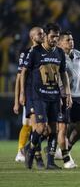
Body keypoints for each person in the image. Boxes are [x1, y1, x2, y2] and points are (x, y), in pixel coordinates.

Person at [20, 23, 72, 169]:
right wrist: (23, 93)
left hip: (54, 95)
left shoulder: (60, 53)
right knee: (41, 128)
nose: (54, 39)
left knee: (54, 129)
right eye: (52, 36)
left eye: (57, 37)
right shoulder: (35, 52)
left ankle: (50, 162)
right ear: (45, 37)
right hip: (39, 96)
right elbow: (24, 72)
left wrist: (67, 93)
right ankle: (30, 150)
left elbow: (63, 74)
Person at [57, 31, 80, 169]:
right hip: (63, 96)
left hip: (77, 96)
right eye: (67, 40)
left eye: (71, 39)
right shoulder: (57, 56)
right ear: (60, 43)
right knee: (62, 128)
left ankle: (66, 149)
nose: (71, 42)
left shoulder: (78, 54)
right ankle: (66, 158)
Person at [13, 27, 45, 168]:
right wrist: (19, 97)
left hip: (45, 94)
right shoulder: (26, 53)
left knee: (43, 128)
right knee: (31, 125)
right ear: (32, 37)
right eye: (40, 34)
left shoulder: (47, 52)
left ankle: (29, 150)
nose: (43, 35)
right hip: (31, 95)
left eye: (44, 33)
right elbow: (20, 76)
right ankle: (30, 154)